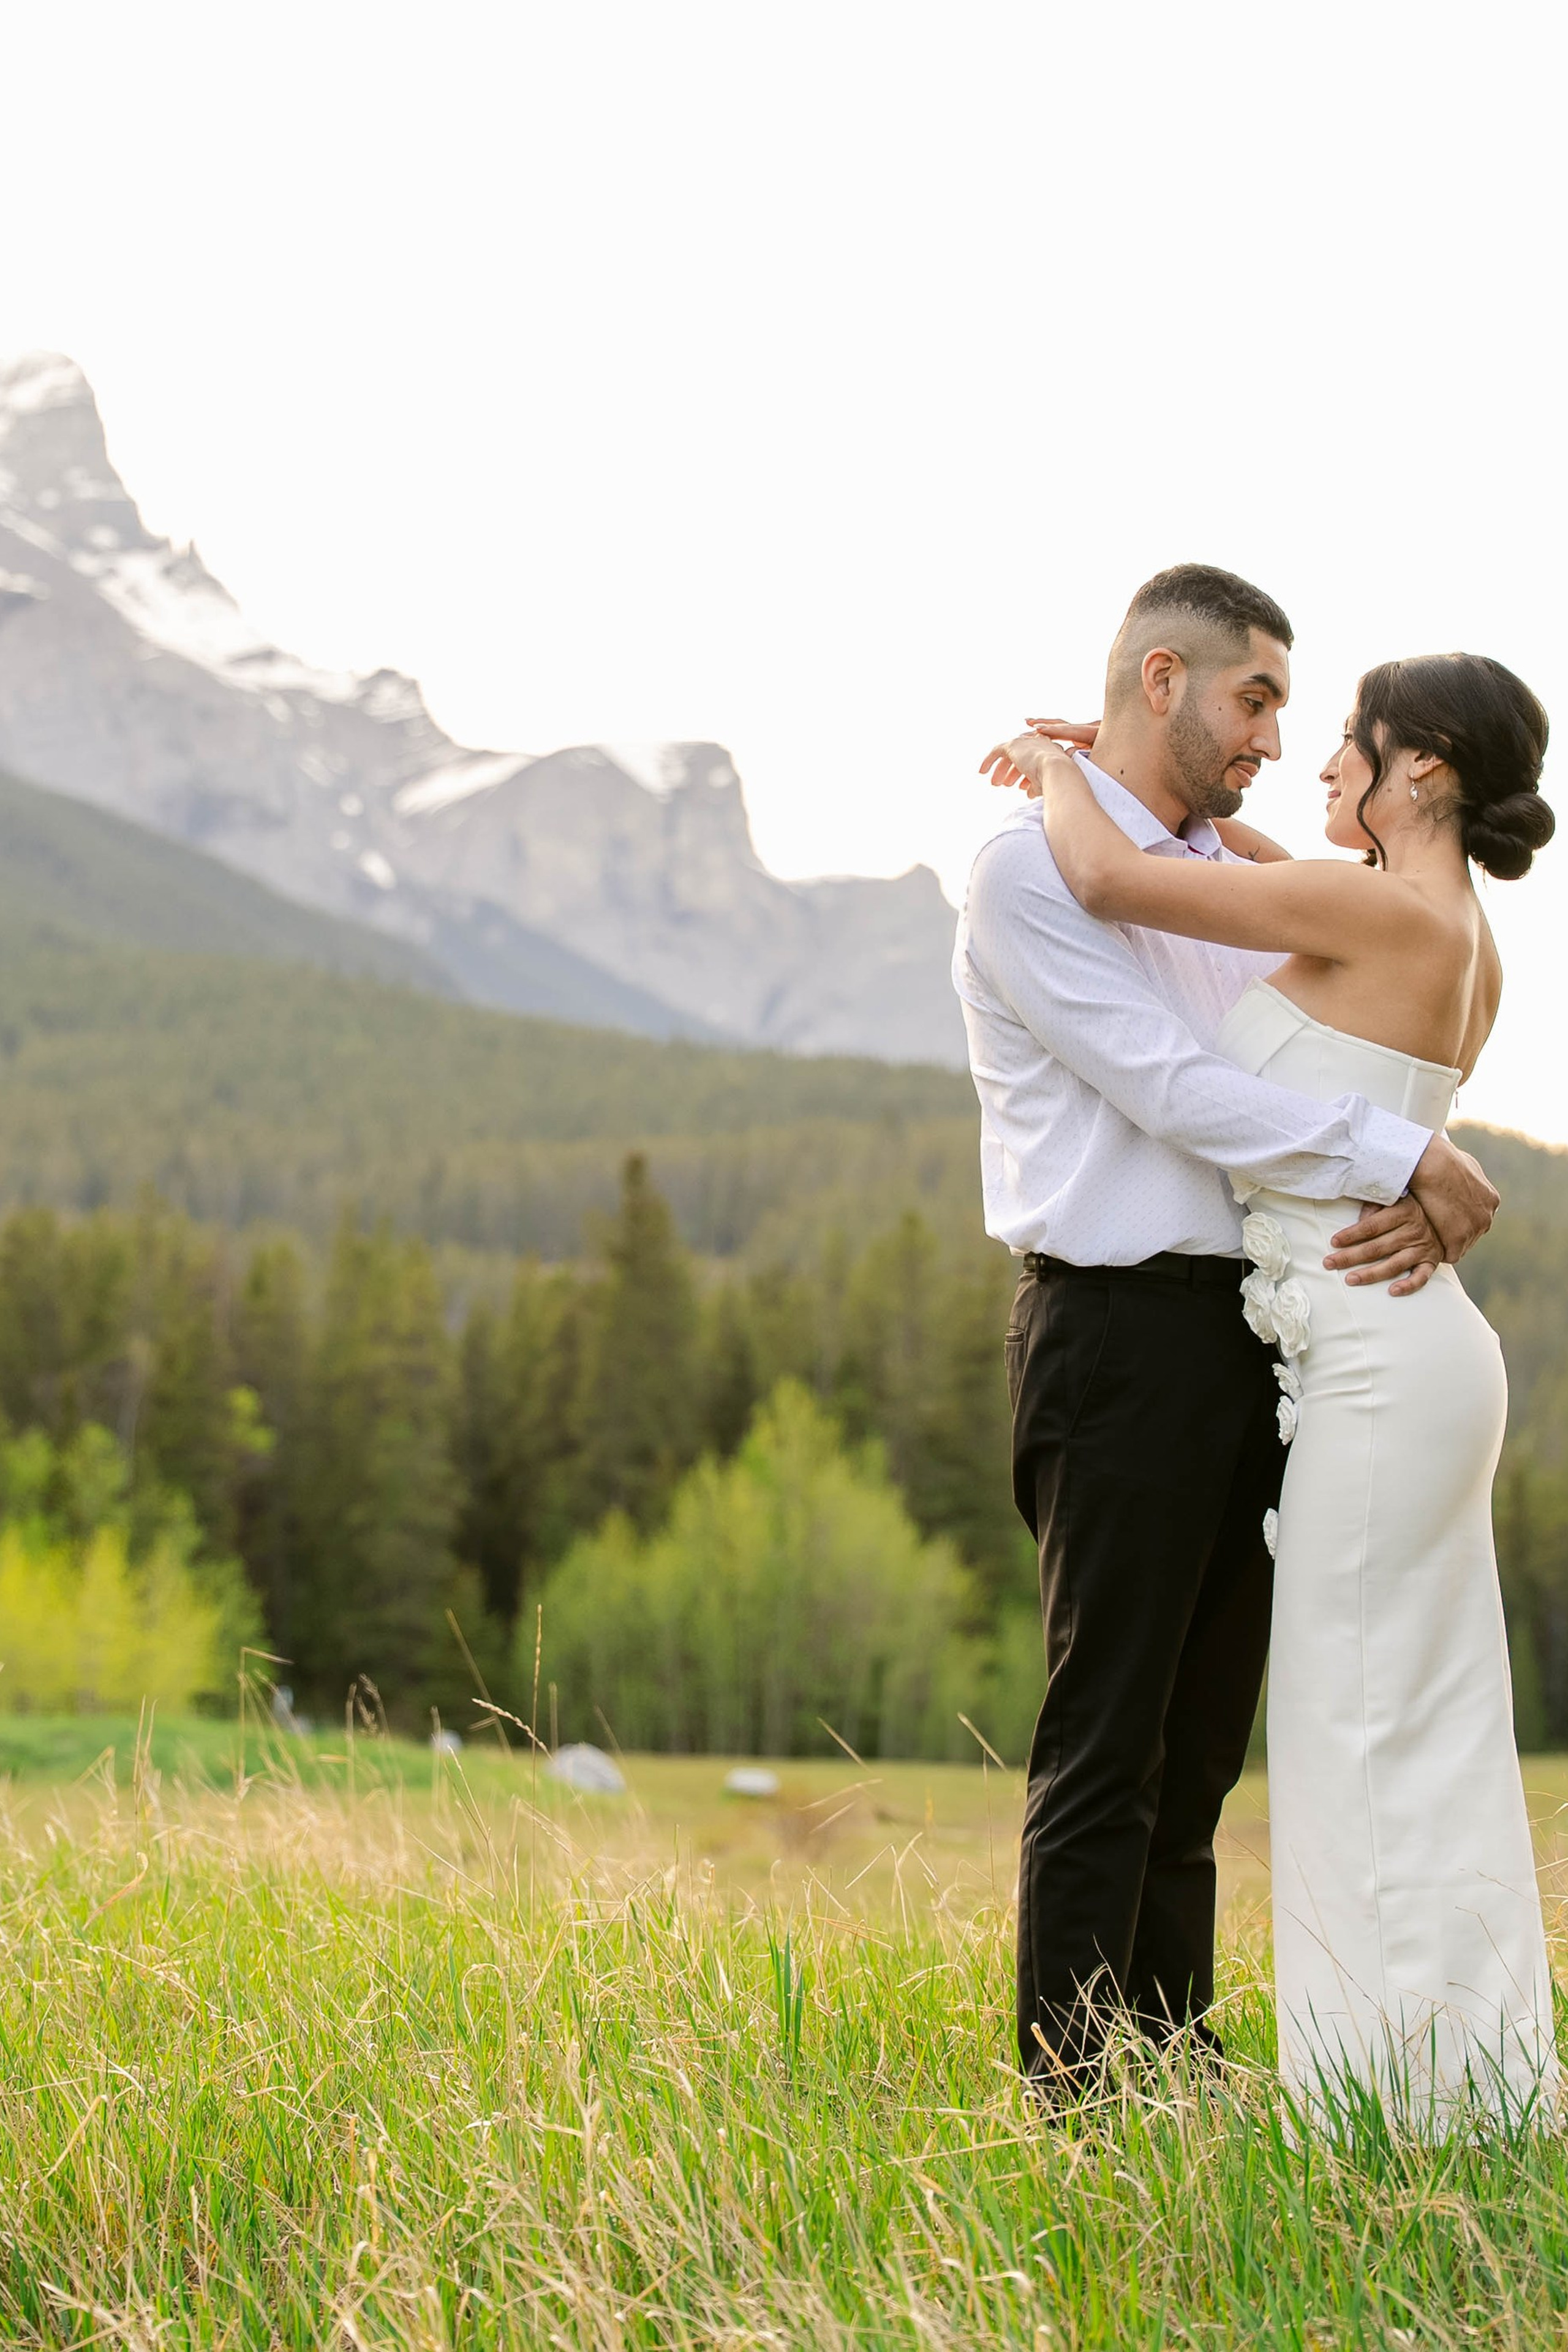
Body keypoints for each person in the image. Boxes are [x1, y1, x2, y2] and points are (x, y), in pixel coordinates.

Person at [984, 638, 1558, 2127]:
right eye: (1269, 715)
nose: (1309, 764)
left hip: (1358, 1361)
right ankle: (1437, 2077)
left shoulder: (1365, 907)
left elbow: (1119, 884)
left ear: (1417, 764)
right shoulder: (1454, 924)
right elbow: (1232, 865)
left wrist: (1057, 771)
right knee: (1401, 1721)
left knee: (1343, 1728)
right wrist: (1128, 785)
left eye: (1344, 739)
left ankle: (1386, 2095)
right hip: (1369, 1347)